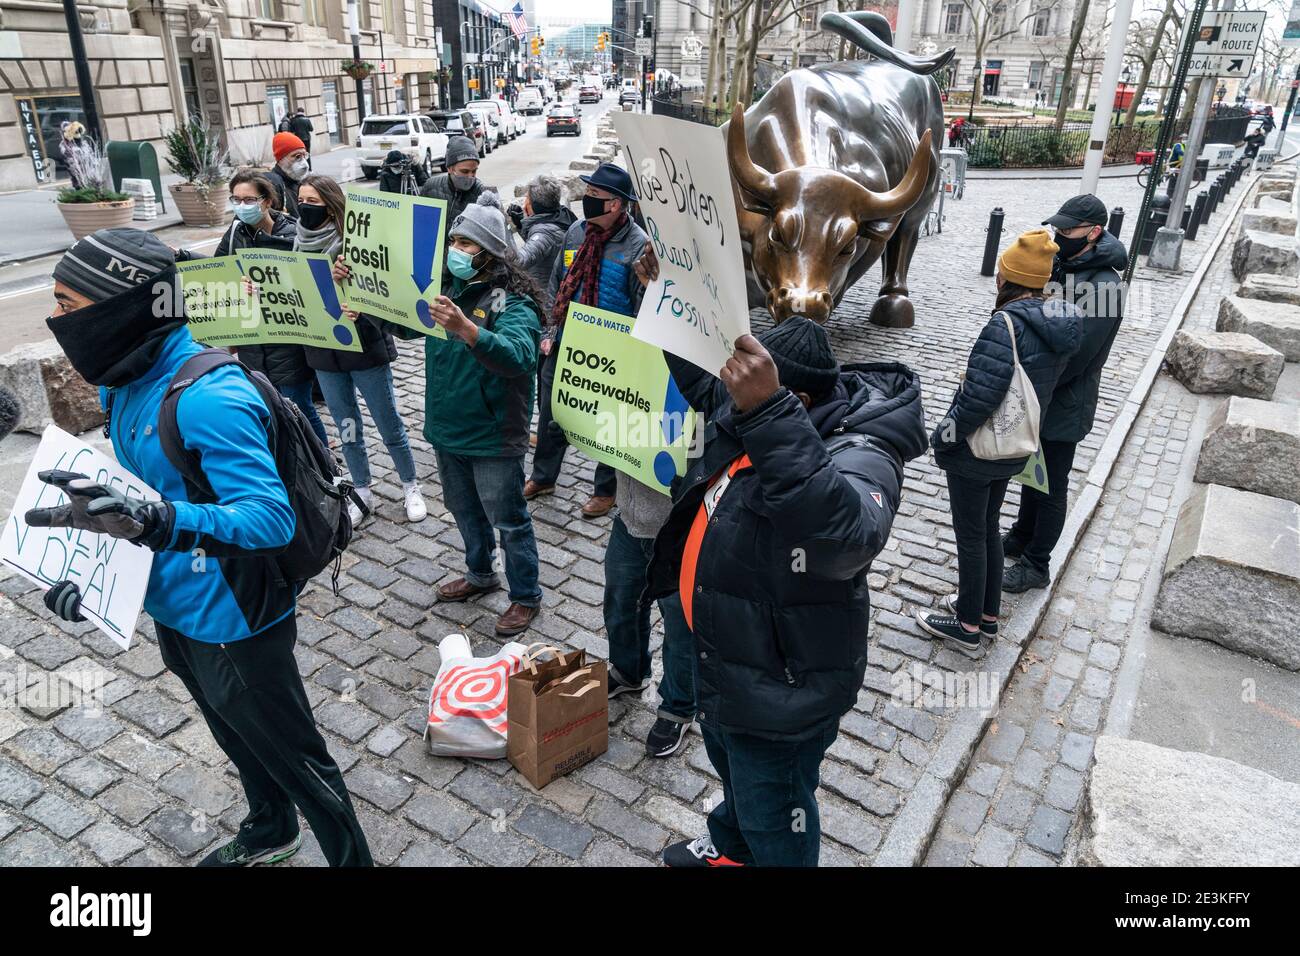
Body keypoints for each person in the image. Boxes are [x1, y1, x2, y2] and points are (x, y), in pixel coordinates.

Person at [33, 228, 372, 867]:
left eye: (68, 306)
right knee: (234, 734)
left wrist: (158, 522)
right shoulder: (121, 380)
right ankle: (272, 830)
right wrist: (95, 579)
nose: (56, 321)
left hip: (235, 618)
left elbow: (267, 518)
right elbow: (141, 500)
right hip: (176, 610)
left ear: (122, 308)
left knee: (298, 758)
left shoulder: (211, 398)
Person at [635, 292, 928, 865]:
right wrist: (667, 295)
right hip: (726, 660)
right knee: (738, 777)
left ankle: (760, 849)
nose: (732, 402)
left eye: (752, 399)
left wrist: (768, 415)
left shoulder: (864, 451)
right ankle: (732, 847)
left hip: (782, 686)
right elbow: (702, 384)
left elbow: (844, 539)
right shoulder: (754, 412)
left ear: (791, 399)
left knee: (779, 814)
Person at [336, 193, 544, 636]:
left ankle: (525, 596)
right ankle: (480, 574)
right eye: (454, 240)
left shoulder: (514, 304)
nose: (456, 250)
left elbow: (520, 357)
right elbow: (404, 322)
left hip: (492, 435)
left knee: (507, 518)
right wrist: (360, 294)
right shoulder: (444, 291)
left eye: (467, 245)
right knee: (463, 510)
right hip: (447, 429)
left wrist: (468, 330)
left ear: (490, 256)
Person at [916, 230, 1081, 658]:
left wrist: (943, 437)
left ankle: (967, 626)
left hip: (977, 452)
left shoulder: (1004, 324)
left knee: (972, 535)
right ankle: (986, 614)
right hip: (1012, 448)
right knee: (988, 528)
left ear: (1006, 279)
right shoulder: (1058, 324)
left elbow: (978, 399)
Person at [1002, 196, 1126, 593]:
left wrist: (1034, 378)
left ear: (1094, 232)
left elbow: (1080, 355)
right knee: (1030, 472)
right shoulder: (1064, 265)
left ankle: (1037, 564)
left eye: (1067, 231)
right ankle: (1023, 534)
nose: (1059, 236)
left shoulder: (1106, 285)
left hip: (1065, 400)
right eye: (1058, 228)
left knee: (1052, 482)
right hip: (1040, 390)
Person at [295, 173, 427, 526]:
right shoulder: (296, 240)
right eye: (301, 201)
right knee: (347, 425)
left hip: (365, 346)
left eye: (313, 202)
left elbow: (387, 286)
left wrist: (357, 296)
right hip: (324, 350)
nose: (305, 208)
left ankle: (410, 484)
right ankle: (363, 489)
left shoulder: (355, 240)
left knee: (389, 423)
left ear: (331, 204)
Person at [527, 163, 646, 518]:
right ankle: (543, 476)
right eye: (588, 194)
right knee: (550, 410)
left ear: (615, 205)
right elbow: (557, 284)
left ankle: (605, 490)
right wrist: (550, 331)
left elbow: (642, 307)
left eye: (594, 196)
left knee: (609, 422)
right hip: (566, 341)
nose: (587, 201)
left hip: (611, 351)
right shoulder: (576, 233)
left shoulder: (637, 245)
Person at [178, 170, 329, 447]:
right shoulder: (236, 230)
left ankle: (325, 461)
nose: (241, 205)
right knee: (264, 405)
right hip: (252, 337)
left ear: (267, 201)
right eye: (236, 199)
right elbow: (219, 270)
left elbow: (308, 283)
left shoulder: (294, 234)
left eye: (248, 199)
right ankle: (290, 460)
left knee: (298, 406)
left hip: (287, 337)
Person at [508, 174, 576, 312]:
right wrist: (521, 225)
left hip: (545, 304)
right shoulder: (562, 217)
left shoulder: (544, 234)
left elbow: (519, 261)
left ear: (533, 204)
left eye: (527, 198)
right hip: (556, 298)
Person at [419, 135, 489, 249]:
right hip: (435, 260)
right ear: (450, 168)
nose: (470, 176)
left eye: (474, 171)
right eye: (464, 171)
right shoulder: (431, 187)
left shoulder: (483, 195)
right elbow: (418, 226)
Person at [267, 132, 310, 217]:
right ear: (281, 159)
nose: (304, 163)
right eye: (297, 156)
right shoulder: (274, 187)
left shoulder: (300, 181)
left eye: (304, 156)